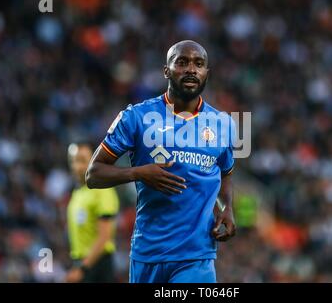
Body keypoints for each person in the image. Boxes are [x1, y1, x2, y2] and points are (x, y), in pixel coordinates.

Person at [86, 40, 236, 283]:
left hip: (196, 256)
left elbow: (226, 171)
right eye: (182, 62)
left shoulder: (223, 124)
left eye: (199, 64)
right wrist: (139, 173)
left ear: (207, 73)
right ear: (166, 70)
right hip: (148, 254)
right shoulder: (136, 117)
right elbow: (93, 174)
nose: (191, 69)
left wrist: (227, 207)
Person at [65, 142, 120, 283]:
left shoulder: (102, 190)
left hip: (97, 265)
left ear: (94, 160)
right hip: (82, 262)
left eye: (82, 160)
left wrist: (82, 269)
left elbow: (104, 237)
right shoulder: (78, 193)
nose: (76, 166)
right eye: (73, 161)